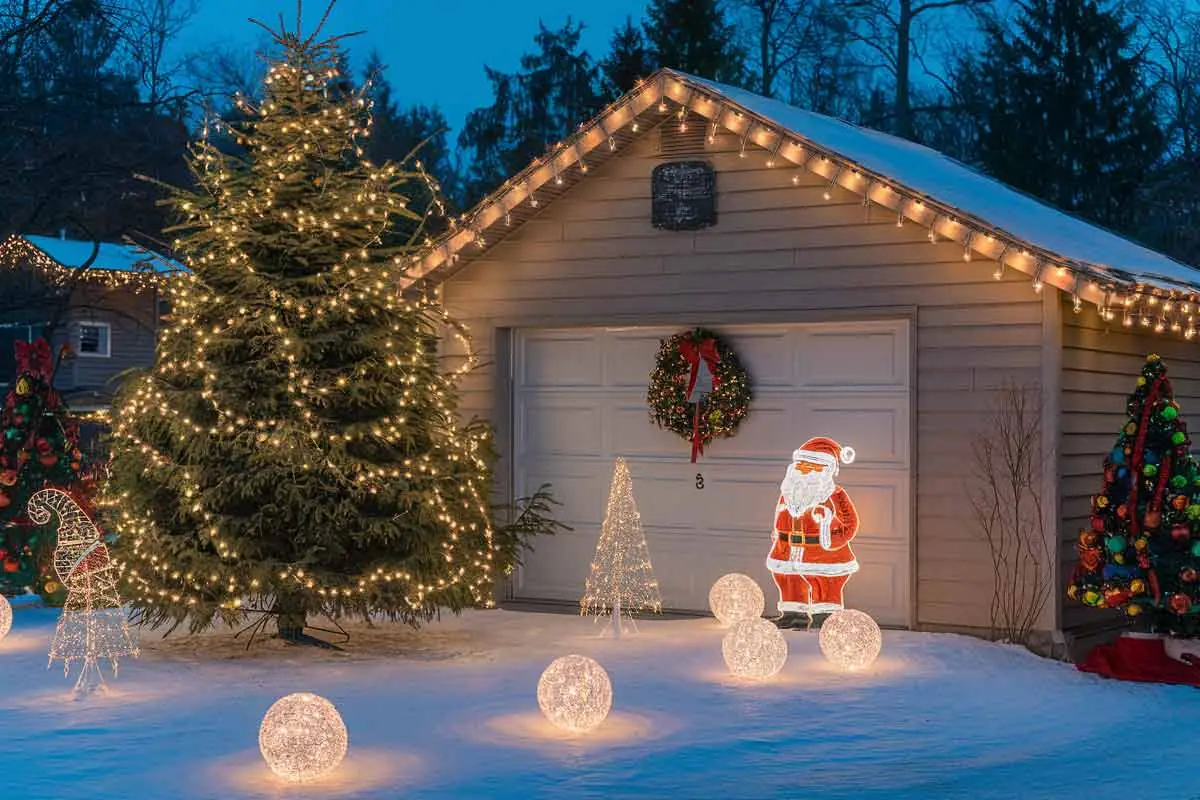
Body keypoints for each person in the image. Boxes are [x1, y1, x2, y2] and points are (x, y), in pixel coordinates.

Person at [767, 437, 860, 629]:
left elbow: (851, 523)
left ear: (827, 470)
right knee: (788, 580)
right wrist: (777, 534)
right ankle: (794, 615)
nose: (805, 469)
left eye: (813, 466)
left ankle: (825, 618)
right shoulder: (788, 491)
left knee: (824, 583)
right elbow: (779, 515)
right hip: (788, 549)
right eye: (801, 464)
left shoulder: (835, 494)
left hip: (822, 552)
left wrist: (831, 540)